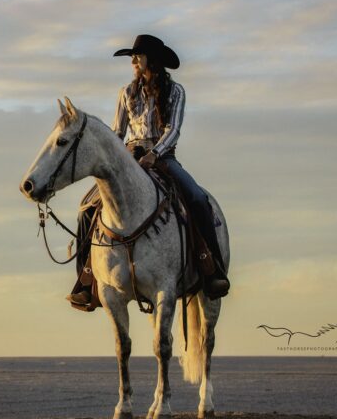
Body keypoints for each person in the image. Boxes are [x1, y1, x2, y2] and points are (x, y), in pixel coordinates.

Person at [66, 34, 230, 309]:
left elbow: (173, 129)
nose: (132, 61)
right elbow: (117, 132)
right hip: (129, 157)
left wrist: (155, 154)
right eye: (132, 57)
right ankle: (86, 279)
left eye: (136, 56)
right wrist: (112, 160)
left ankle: (210, 267)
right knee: (87, 207)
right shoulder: (126, 93)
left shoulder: (175, 92)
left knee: (198, 199)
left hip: (164, 156)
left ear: (150, 60)